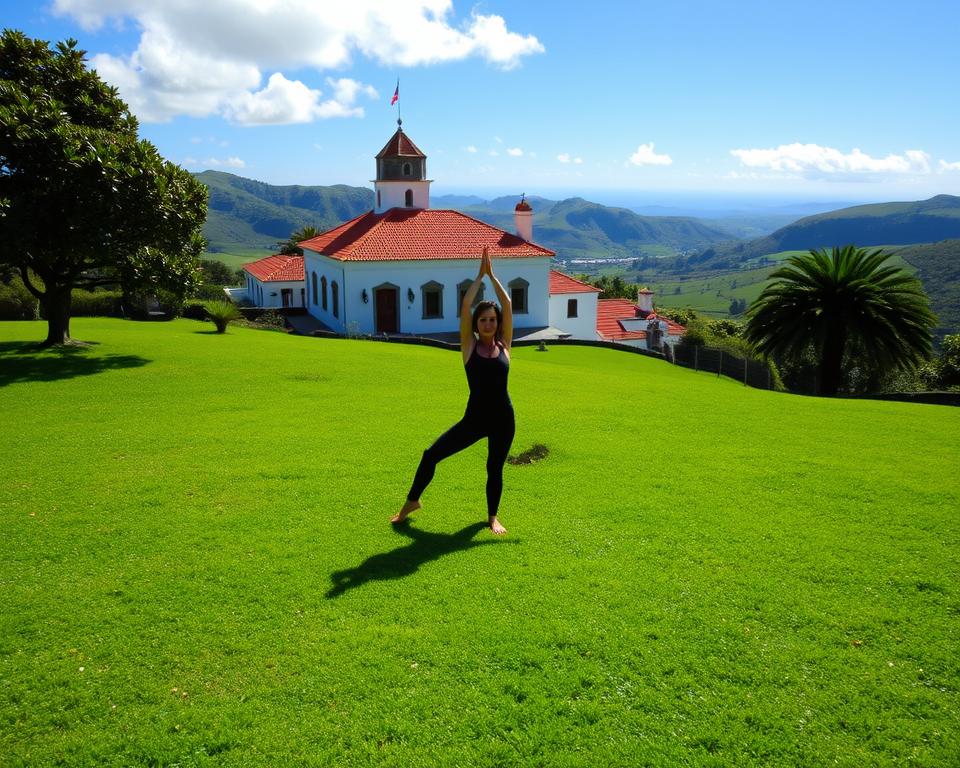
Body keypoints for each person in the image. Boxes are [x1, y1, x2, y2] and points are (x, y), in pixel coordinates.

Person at [392, 247, 515, 534]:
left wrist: (492, 277)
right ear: (476, 324)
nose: (488, 323)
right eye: (483, 319)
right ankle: (412, 502)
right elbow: (465, 308)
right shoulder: (469, 347)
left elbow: (507, 305)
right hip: (474, 420)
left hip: (503, 420)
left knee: (494, 468)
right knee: (430, 454)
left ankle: (492, 517)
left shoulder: (505, 346)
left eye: (492, 320)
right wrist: (478, 278)